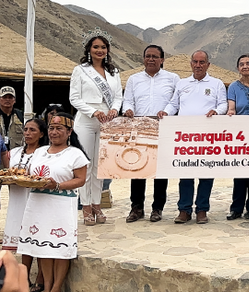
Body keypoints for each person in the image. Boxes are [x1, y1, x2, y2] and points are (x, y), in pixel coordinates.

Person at [17, 113, 89, 292]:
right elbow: (32, 173)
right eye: (51, 128)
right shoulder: (40, 151)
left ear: (69, 131)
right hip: (37, 203)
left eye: (59, 128)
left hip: (61, 205)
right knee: (42, 247)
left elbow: (80, 180)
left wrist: (57, 185)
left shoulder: (75, 154)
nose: (54, 132)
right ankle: (46, 285)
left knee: (60, 248)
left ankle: (56, 288)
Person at [159, 50, 227, 224]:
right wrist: (165, 112)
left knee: (206, 172)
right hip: (185, 136)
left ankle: (202, 210)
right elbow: (174, 104)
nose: (198, 65)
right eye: (195, 62)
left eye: (202, 62)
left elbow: (223, 104)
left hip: (208, 135)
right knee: (186, 172)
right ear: (191, 64)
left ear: (208, 65)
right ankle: (184, 209)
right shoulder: (182, 84)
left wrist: (217, 111)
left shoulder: (217, 83)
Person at [69, 29, 122, 226]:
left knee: (101, 167)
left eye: (103, 47)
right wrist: (93, 112)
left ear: (108, 50)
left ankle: (97, 203)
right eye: (96, 47)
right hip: (87, 120)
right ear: (89, 49)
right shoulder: (80, 70)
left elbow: (118, 96)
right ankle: (86, 207)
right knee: (86, 165)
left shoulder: (114, 72)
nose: (100, 50)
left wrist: (115, 109)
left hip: (107, 121)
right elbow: (74, 98)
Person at [122, 45, 179, 223]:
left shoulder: (173, 78)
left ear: (162, 60)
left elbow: (175, 100)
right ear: (143, 58)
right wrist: (128, 109)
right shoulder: (133, 79)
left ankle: (157, 208)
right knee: (137, 167)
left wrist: (167, 111)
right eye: (148, 56)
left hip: (163, 126)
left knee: (160, 169)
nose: (151, 59)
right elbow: (127, 100)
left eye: (155, 56)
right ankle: (136, 207)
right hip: (139, 127)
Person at [3, 119, 47, 291]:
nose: (27, 133)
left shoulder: (45, 153)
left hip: (36, 201)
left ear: (42, 134)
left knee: (37, 239)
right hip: (17, 201)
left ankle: (40, 277)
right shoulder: (14, 153)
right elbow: (8, 172)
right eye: (26, 129)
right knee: (23, 242)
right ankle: (24, 277)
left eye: (32, 130)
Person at [225, 55, 249, 221]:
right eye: (241, 64)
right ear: (238, 68)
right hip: (239, 134)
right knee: (239, 171)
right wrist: (230, 112)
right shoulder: (233, 87)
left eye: (248, 63)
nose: (245, 66)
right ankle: (236, 208)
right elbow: (232, 107)